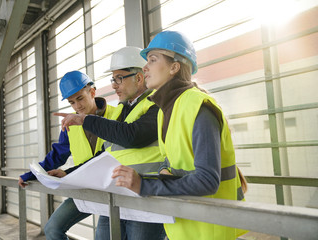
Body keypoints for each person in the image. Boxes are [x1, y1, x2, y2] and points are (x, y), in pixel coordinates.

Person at [111, 31, 248, 240]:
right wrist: (165, 169)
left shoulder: (197, 106)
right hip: (184, 227)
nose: (145, 67)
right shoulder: (167, 110)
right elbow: (177, 161)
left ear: (174, 67)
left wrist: (144, 185)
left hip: (209, 230)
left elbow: (207, 181)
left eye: (152, 60)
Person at [55, 46, 166, 240]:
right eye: (113, 79)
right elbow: (106, 154)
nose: (114, 85)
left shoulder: (157, 103)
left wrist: (85, 120)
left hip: (145, 198)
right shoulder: (124, 110)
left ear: (139, 78)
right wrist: (67, 173)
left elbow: (133, 135)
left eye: (118, 79)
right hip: (116, 196)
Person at [18, 70, 118, 240]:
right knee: (52, 229)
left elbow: (109, 153)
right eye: (72, 102)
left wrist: (68, 173)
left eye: (80, 98)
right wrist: (31, 174)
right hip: (85, 187)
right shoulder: (71, 124)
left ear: (92, 92)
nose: (77, 106)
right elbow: (57, 156)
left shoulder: (116, 116)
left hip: (112, 189)